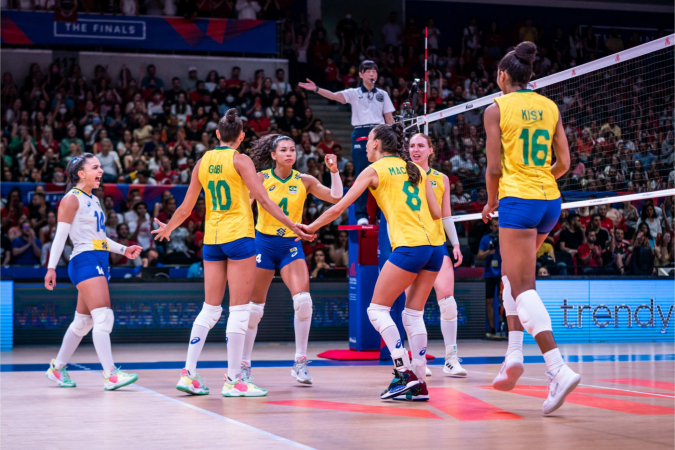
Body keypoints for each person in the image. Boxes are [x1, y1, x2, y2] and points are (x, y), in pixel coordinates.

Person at [152, 109, 313, 397]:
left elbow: (187, 207)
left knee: (210, 309)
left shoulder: (202, 161)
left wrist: (169, 228)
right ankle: (233, 380)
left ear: (216, 135)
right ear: (241, 137)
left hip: (212, 240)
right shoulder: (241, 160)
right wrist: (293, 225)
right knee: (239, 310)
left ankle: (188, 373)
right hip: (239, 238)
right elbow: (263, 200)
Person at [298, 123, 443, 401]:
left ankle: (403, 373)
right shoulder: (416, 169)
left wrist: (311, 226)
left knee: (377, 310)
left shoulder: (375, 170)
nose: (365, 146)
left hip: (410, 246)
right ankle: (420, 381)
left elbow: (340, 206)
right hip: (434, 247)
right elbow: (436, 212)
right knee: (412, 315)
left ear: (377, 144)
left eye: (368, 141)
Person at [481, 41, 578, 415]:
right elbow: (564, 162)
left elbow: (493, 169)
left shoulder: (496, 108)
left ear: (503, 76)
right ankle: (514, 354)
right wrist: (540, 181)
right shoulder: (550, 106)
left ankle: (557, 368)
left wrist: (492, 202)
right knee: (512, 276)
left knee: (522, 286)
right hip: (549, 201)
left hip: (518, 202)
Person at [242, 134, 343, 385]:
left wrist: (334, 171)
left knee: (305, 302)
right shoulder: (262, 178)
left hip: (291, 244)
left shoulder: (304, 180)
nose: (289, 153)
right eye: (283, 150)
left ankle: (300, 362)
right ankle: (243, 365)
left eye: (292, 150)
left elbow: (336, 197)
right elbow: (244, 207)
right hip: (263, 242)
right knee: (253, 311)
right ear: (273, 155)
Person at [44, 153, 141, 391]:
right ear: (81, 173)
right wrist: (51, 267)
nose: (100, 171)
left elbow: (99, 238)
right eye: (95, 167)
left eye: (100, 167)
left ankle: (57, 368)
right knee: (103, 317)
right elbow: (60, 236)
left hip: (98, 258)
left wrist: (123, 249)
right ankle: (111, 374)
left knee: (82, 323)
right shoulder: (71, 199)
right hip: (84, 260)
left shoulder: (93, 199)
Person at [299, 60, 395, 225]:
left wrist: (395, 138)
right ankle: (360, 215)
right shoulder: (354, 93)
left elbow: (389, 118)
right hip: (360, 132)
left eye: (374, 71)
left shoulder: (383, 94)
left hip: (380, 132)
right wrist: (316, 89)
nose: (372, 74)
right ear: (361, 74)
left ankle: (382, 214)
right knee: (360, 173)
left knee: (383, 174)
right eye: (368, 71)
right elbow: (335, 96)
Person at [407, 133, 466, 379]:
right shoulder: (401, 176)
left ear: (431, 150)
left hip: (436, 246)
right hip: (409, 246)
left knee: (448, 304)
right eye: (411, 146)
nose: (416, 149)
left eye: (421, 145)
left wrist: (455, 243)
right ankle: (418, 361)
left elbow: (446, 214)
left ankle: (451, 359)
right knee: (414, 309)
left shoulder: (441, 179)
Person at [477, 218, 501, 337]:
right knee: (489, 301)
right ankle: (491, 328)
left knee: (504, 300)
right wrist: (489, 252)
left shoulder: (505, 238)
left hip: (502, 274)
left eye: (498, 226)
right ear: (491, 227)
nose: (497, 228)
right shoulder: (485, 239)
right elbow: (479, 256)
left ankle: (505, 328)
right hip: (489, 274)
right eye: (495, 226)